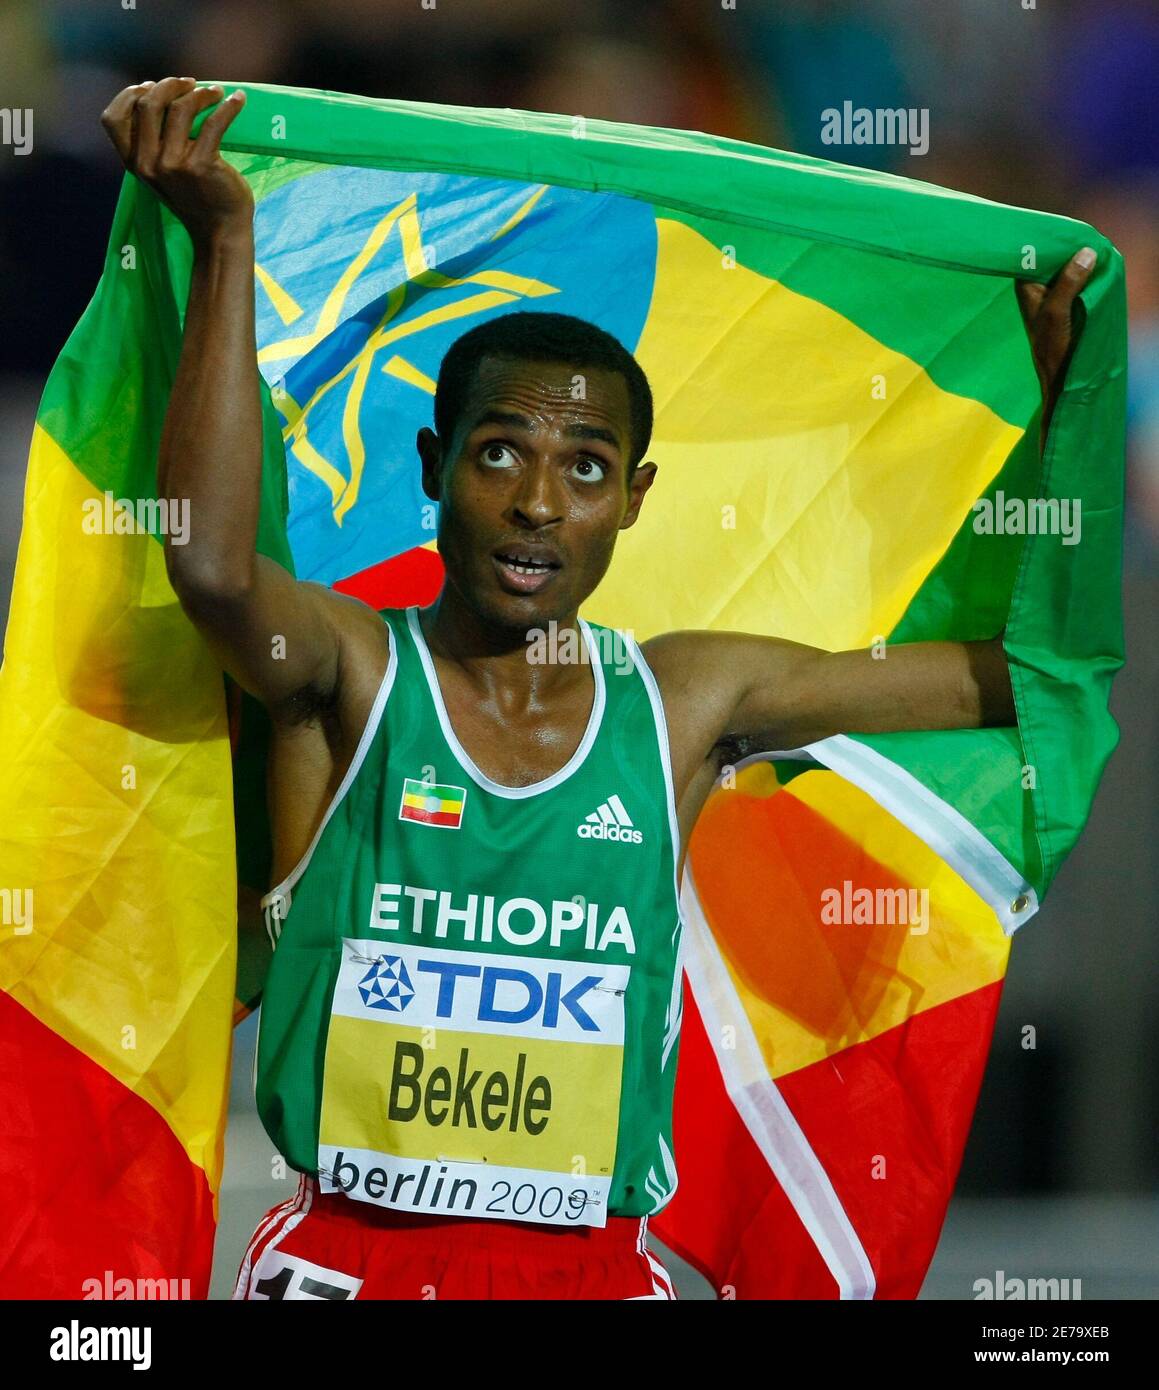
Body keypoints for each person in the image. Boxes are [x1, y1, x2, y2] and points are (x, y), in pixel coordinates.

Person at [100, 78, 1097, 1301]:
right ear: (435, 465)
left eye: (585, 467)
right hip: (348, 1265)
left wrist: (1063, 417)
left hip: (595, 1276)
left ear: (633, 497)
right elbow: (205, 564)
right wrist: (227, 241)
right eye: (500, 452)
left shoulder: (686, 700)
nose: (536, 503)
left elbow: (1022, 681)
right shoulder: (350, 672)